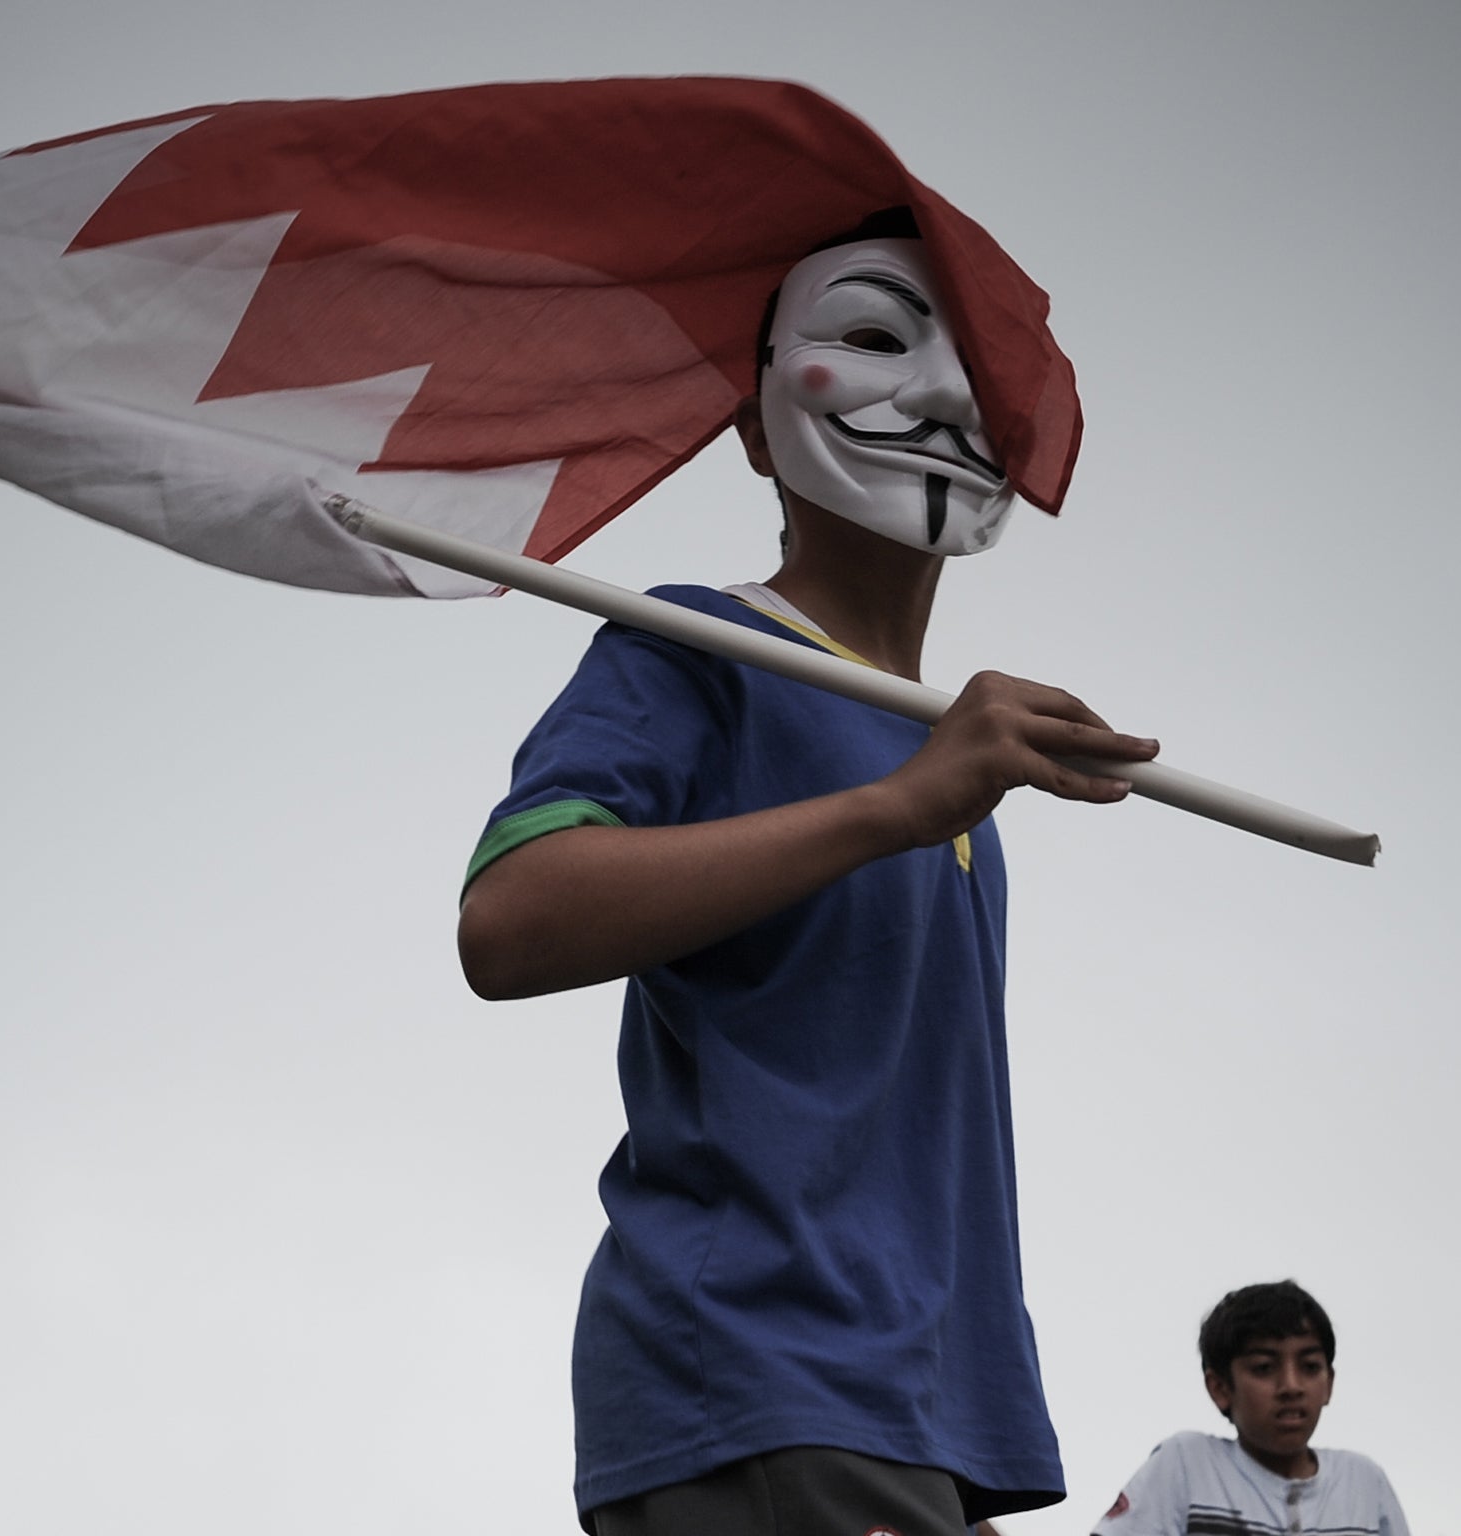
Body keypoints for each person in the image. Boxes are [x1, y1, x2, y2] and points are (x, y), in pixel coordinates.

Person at [458, 210, 1159, 1536]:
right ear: (755, 423)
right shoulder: (697, 646)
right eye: (879, 336)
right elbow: (512, 915)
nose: (946, 390)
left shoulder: (948, 755)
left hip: (913, 1420)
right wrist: (896, 805)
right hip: (768, 1376)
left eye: (979, 366)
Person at [1090, 1280, 1411, 1536]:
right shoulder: (1187, 1465)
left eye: (1310, 1366)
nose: (1291, 1386)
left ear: (1329, 1383)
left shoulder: (1364, 1483)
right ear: (1220, 1388)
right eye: (1264, 1368)